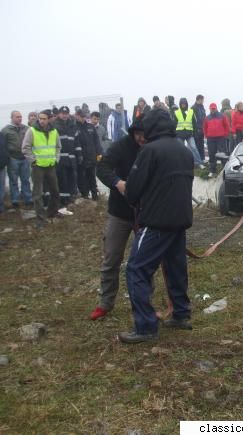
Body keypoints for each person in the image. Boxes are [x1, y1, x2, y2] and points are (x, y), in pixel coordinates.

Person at [119, 108, 194, 344]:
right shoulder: (185, 150)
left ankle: (145, 326)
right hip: (180, 220)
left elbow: (132, 190)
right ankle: (181, 315)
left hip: (156, 222)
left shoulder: (149, 151)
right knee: (175, 267)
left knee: (136, 269)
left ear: (150, 128)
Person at [91, 116, 147, 320]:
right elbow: (102, 168)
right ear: (133, 132)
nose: (142, 138)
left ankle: (144, 301)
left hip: (145, 214)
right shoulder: (120, 147)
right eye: (139, 134)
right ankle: (106, 302)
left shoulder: (153, 147)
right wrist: (117, 182)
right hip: (119, 213)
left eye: (145, 134)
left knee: (145, 260)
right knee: (112, 258)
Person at [21, 109, 61, 225]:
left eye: (44, 119)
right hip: (37, 166)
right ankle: (41, 218)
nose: (42, 121)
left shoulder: (54, 131)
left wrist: (56, 159)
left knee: (55, 191)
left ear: (49, 119)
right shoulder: (32, 131)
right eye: (40, 118)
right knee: (37, 193)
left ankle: (52, 212)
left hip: (50, 165)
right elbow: (25, 148)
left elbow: (58, 147)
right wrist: (33, 161)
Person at [2, 111, 32, 208]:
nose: (20, 118)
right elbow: (3, 145)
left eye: (21, 117)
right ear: (12, 118)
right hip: (13, 158)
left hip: (24, 158)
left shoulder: (26, 129)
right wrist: (7, 157)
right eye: (17, 117)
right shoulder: (5, 130)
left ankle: (28, 198)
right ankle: (15, 199)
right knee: (13, 180)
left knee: (25, 179)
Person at [52, 106, 78, 209]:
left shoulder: (72, 125)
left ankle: (70, 198)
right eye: (62, 113)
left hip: (71, 158)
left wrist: (79, 154)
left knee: (71, 179)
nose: (64, 115)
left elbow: (76, 141)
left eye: (66, 113)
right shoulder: (54, 125)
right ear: (59, 114)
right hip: (60, 158)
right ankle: (62, 200)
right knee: (62, 180)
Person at [75, 108, 103, 201]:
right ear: (77, 116)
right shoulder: (74, 127)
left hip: (91, 156)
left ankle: (95, 195)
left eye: (84, 116)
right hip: (81, 158)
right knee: (82, 178)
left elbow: (97, 142)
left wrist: (99, 153)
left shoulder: (91, 127)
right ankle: (85, 195)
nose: (83, 118)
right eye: (81, 116)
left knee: (92, 177)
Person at [174, 98, 204, 168]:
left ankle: (199, 163)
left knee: (194, 147)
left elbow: (194, 123)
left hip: (189, 134)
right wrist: (175, 133)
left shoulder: (191, 111)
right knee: (180, 149)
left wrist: (195, 133)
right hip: (179, 134)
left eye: (184, 103)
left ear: (186, 104)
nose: (183, 105)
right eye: (182, 104)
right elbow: (174, 124)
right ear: (180, 104)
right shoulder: (176, 112)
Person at [203, 103, 231, 177]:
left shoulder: (222, 116)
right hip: (210, 138)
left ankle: (225, 169)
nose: (213, 110)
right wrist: (206, 135)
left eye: (214, 108)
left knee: (222, 154)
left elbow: (226, 126)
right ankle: (212, 170)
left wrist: (225, 135)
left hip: (220, 138)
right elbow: (204, 127)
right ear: (209, 109)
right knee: (211, 154)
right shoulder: (207, 117)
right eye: (211, 108)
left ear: (216, 108)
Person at [192, 95, 206, 162]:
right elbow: (193, 120)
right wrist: (196, 128)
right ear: (199, 99)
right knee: (197, 145)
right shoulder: (193, 108)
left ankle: (202, 159)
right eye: (202, 100)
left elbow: (204, 117)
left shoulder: (202, 107)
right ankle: (198, 160)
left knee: (201, 144)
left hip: (202, 128)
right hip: (197, 129)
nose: (203, 101)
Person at [0, 132, 8, 213]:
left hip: (1, 165)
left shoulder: (1, 135)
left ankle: (1, 206)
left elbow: (4, 149)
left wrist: (5, 160)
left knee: (1, 187)